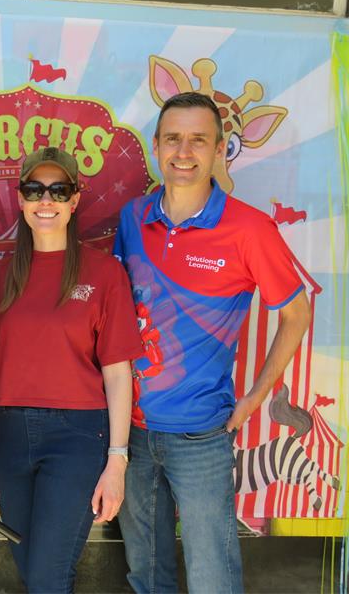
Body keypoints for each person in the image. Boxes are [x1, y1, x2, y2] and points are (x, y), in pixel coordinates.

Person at [114, 92, 311, 593]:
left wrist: (254, 400)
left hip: (202, 436)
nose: (185, 152)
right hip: (129, 436)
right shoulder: (131, 219)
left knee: (212, 580)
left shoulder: (250, 229)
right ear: (156, 147)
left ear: (220, 149)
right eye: (173, 139)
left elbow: (296, 313)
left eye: (198, 140)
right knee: (145, 576)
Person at [0, 146, 142, 593]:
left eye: (58, 190)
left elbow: (118, 373)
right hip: (9, 438)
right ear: (21, 198)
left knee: (48, 577)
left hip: (78, 438)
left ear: (74, 200)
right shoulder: (4, 273)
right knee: (34, 573)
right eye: (34, 189)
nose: (45, 200)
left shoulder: (104, 274)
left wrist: (117, 462)